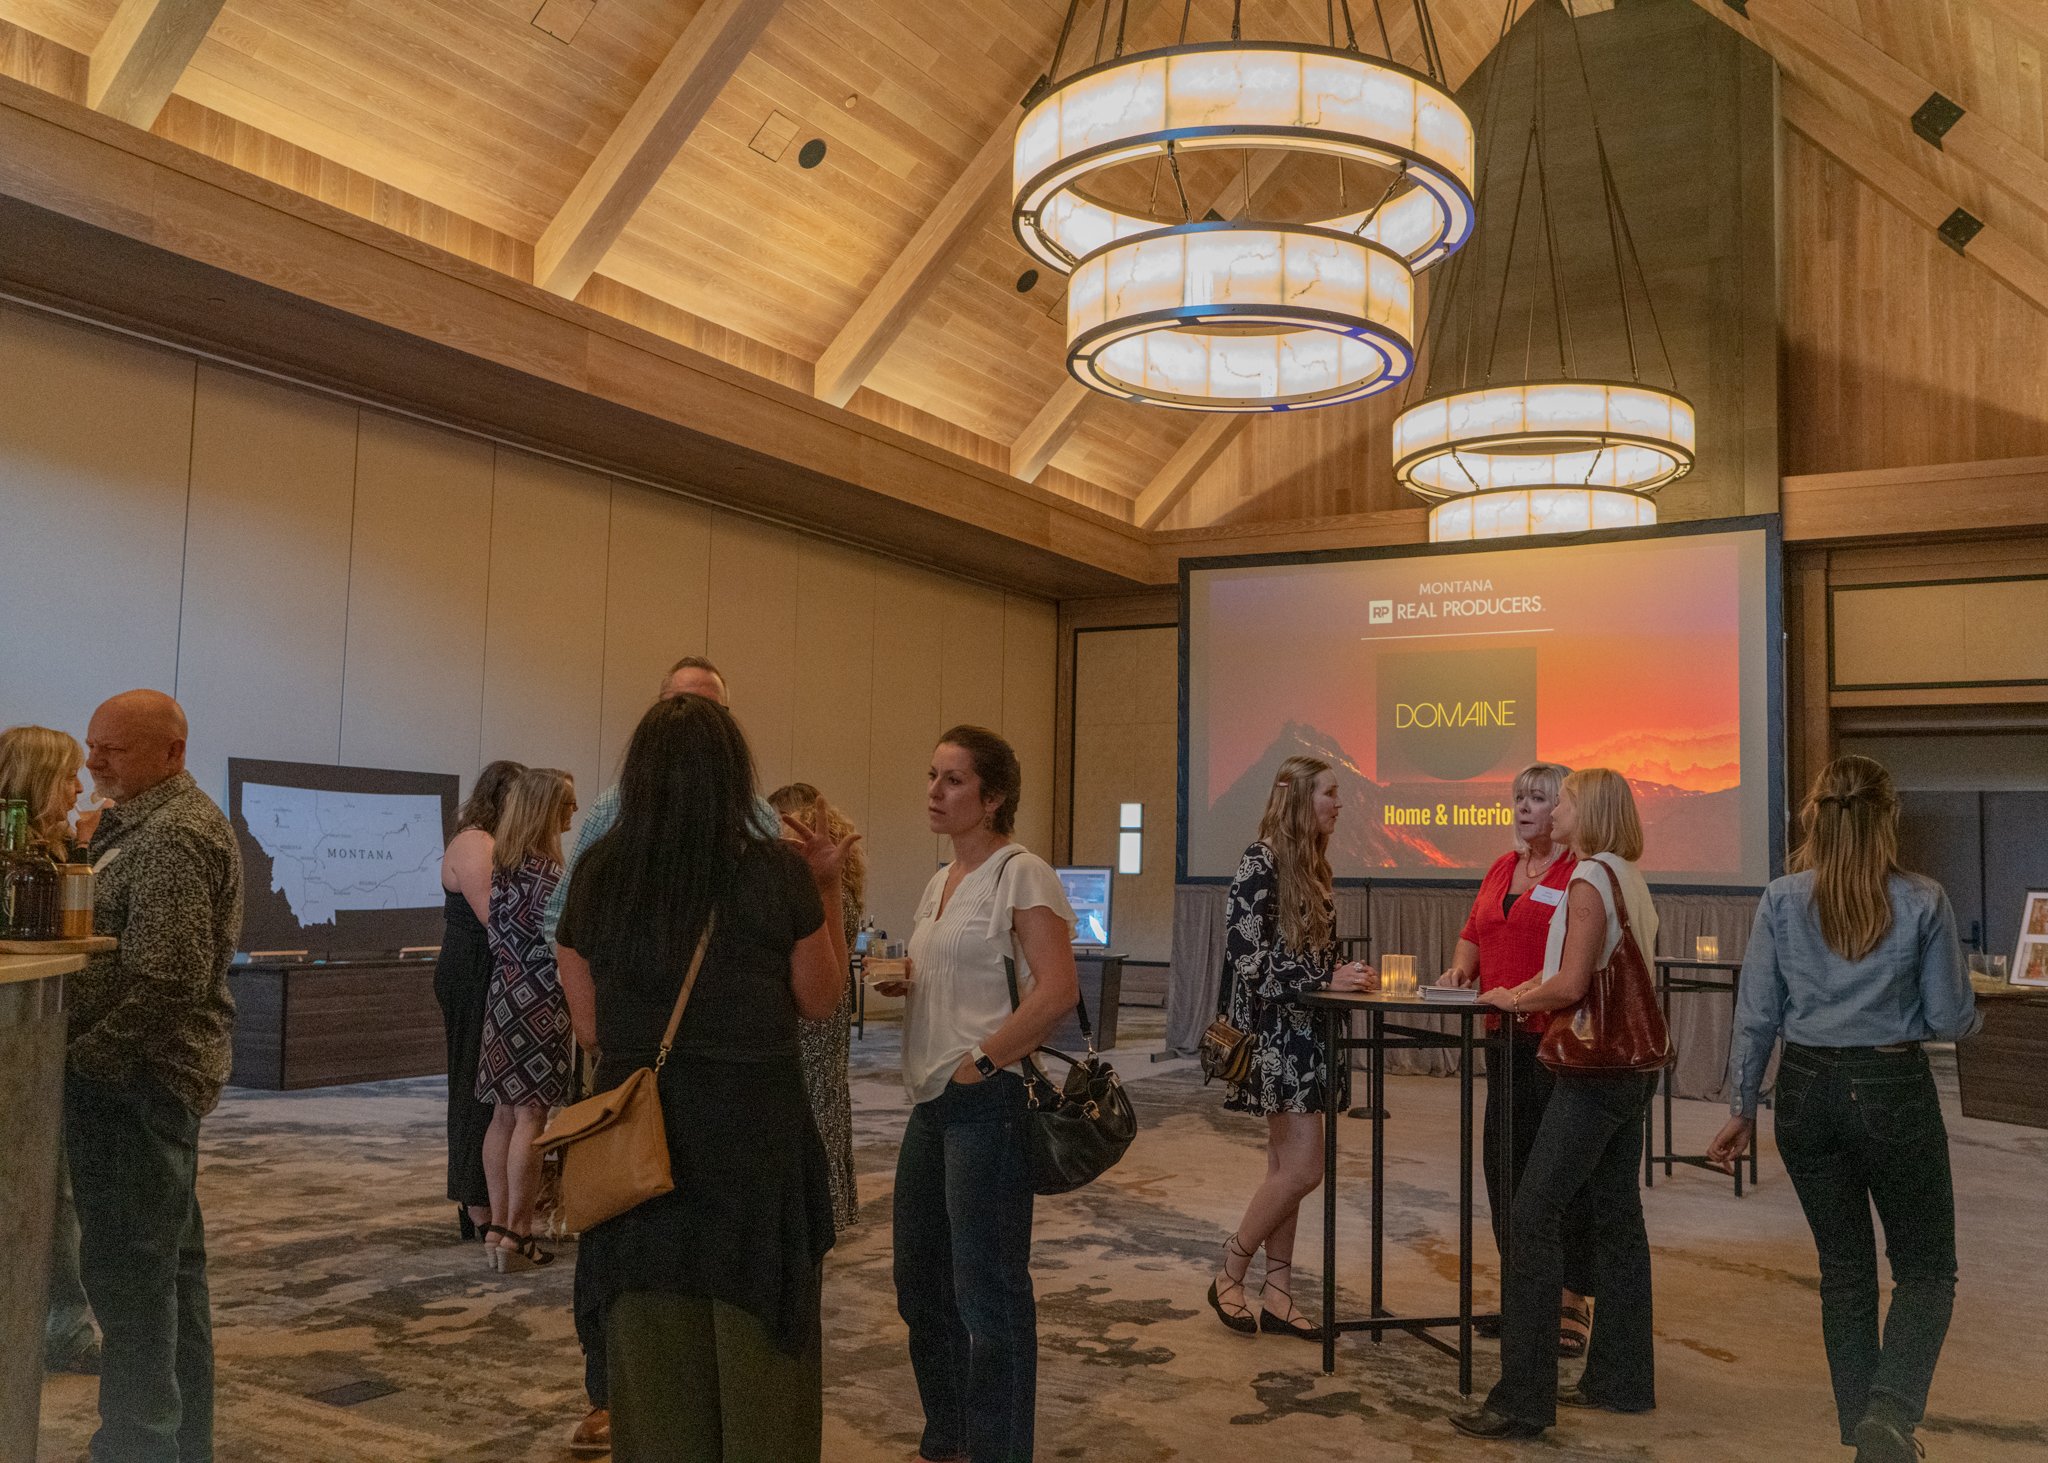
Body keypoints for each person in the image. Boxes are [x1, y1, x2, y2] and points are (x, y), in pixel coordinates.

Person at [556, 695, 852, 1460]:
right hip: (754, 1155)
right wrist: (825, 885)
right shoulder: (771, 874)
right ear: (733, 777)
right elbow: (820, 999)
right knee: (764, 1388)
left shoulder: (597, 874)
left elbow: (588, 1026)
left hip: (639, 1156)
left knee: (655, 1395)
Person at [1707, 756, 1981, 1463]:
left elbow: (1756, 1016)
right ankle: (1887, 1415)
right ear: (1888, 816)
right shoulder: (1923, 900)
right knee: (1925, 1268)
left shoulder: (1780, 899)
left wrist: (1741, 1106)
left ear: (1813, 817)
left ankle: (1868, 1436)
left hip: (1802, 1089)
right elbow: (1950, 1014)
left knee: (1846, 1270)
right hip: (1891, 1087)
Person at [545, 654, 762, 1456]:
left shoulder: (757, 823)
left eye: (705, 706)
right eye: (678, 703)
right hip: (634, 1066)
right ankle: (608, 1390)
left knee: (709, 1245)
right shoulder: (609, 817)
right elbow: (563, 928)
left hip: (728, 1072)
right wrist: (594, 1026)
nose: (690, 720)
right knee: (616, 1221)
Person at [867, 726, 1079, 1463]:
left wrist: (985, 1061)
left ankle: (997, 1448)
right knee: (919, 1280)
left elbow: (1058, 989)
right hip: (932, 1100)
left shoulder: (1022, 872)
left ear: (992, 797)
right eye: (932, 775)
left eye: (952, 780)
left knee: (988, 1293)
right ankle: (948, 1435)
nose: (933, 790)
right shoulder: (940, 879)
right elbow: (969, 974)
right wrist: (912, 981)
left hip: (986, 1102)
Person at [1451, 767, 1659, 1441]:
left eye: (1564, 798)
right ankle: (1623, 1379)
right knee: (1618, 1215)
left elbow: (1570, 982)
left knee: (1534, 1211)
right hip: (1635, 1068)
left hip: (1593, 1071)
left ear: (1587, 809)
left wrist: (1512, 996)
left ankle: (1524, 1398)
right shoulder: (1628, 874)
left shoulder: (1590, 876)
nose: (1553, 807)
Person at [69, 690, 241, 1462]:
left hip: (138, 1086)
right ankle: (175, 1447)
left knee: (136, 1289)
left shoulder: (173, 833)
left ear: (172, 751)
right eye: (92, 745)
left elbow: (169, 978)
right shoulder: (141, 820)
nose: (92, 761)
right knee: (167, 1279)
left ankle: (138, 1447)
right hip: (147, 1084)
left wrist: (91, 1059)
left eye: (114, 749)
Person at [1207, 755, 1376, 1342]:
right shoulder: (1262, 861)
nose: (1338, 803)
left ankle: (1278, 1292)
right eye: (1329, 793)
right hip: (1279, 1035)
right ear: (1300, 798)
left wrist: (1343, 973)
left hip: (1311, 1033)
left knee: (1287, 1168)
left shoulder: (1315, 867)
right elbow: (1247, 958)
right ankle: (1232, 1266)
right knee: (1304, 1168)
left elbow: (1312, 957)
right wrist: (1325, 980)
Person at [1436, 762, 1595, 1355]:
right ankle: (1528, 1298)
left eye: (1538, 798)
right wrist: (1459, 971)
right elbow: (1475, 934)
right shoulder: (1502, 868)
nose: (1525, 807)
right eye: (1519, 797)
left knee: (1553, 1177)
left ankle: (1571, 1302)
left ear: (1562, 809)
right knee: (1503, 1169)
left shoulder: (1578, 873)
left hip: (1554, 1042)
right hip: (1502, 1038)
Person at [0, 724, 101, 1375]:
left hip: (38, 1038)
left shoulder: (57, 851)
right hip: (17, 1043)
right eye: (68, 775)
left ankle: (54, 1318)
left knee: (47, 1190)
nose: (79, 787)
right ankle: (58, 1322)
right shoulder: (19, 857)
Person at [475, 766, 576, 1272]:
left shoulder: (504, 870)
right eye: (566, 805)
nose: (575, 813)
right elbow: (565, 948)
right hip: (541, 996)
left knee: (503, 1114)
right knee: (533, 1116)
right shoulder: (554, 878)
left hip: (502, 992)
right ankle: (519, 1233)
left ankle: (496, 1228)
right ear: (544, 811)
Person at [435, 758, 525, 1242]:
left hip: (490, 971)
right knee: (473, 1089)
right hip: (472, 972)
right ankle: (474, 1203)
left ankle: (485, 1197)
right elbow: (498, 917)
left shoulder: (497, 843)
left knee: (489, 1090)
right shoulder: (475, 842)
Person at [769, 782, 864, 1235]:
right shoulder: (838, 889)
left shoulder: (816, 892)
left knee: (815, 1108)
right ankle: (830, 1207)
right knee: (825, 1104)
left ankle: (817, 1212)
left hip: (812, 1015)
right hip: (828, 1013)